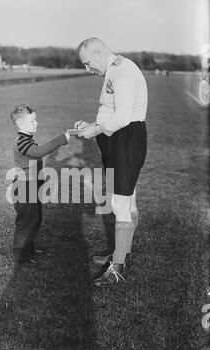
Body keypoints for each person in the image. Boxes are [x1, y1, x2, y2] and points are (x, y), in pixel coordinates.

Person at [74, 37, 148, 287]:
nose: (87, 69)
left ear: (97, 52)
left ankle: (116, 268)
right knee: (128, 199)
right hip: (118, 140)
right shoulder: (113, 70)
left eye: (87, 63)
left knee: (120, 203)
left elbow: (123, 117)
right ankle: (121, 253)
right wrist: (92, 126)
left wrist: (95, 131)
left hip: (125, 140)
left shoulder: (124, 71)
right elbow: (110, 110)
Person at [10, 104, 72, 264]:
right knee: (26, 221)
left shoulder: (27, 139)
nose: (36, 124)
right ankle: (21, 255)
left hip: (31, 186)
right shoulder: (20, 142)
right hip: (24, 188)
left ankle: (27, 249)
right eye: (32, 121)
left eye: (35, 120)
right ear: (20, 123)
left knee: (34, 219)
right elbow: (38, 152)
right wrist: (61, 139)